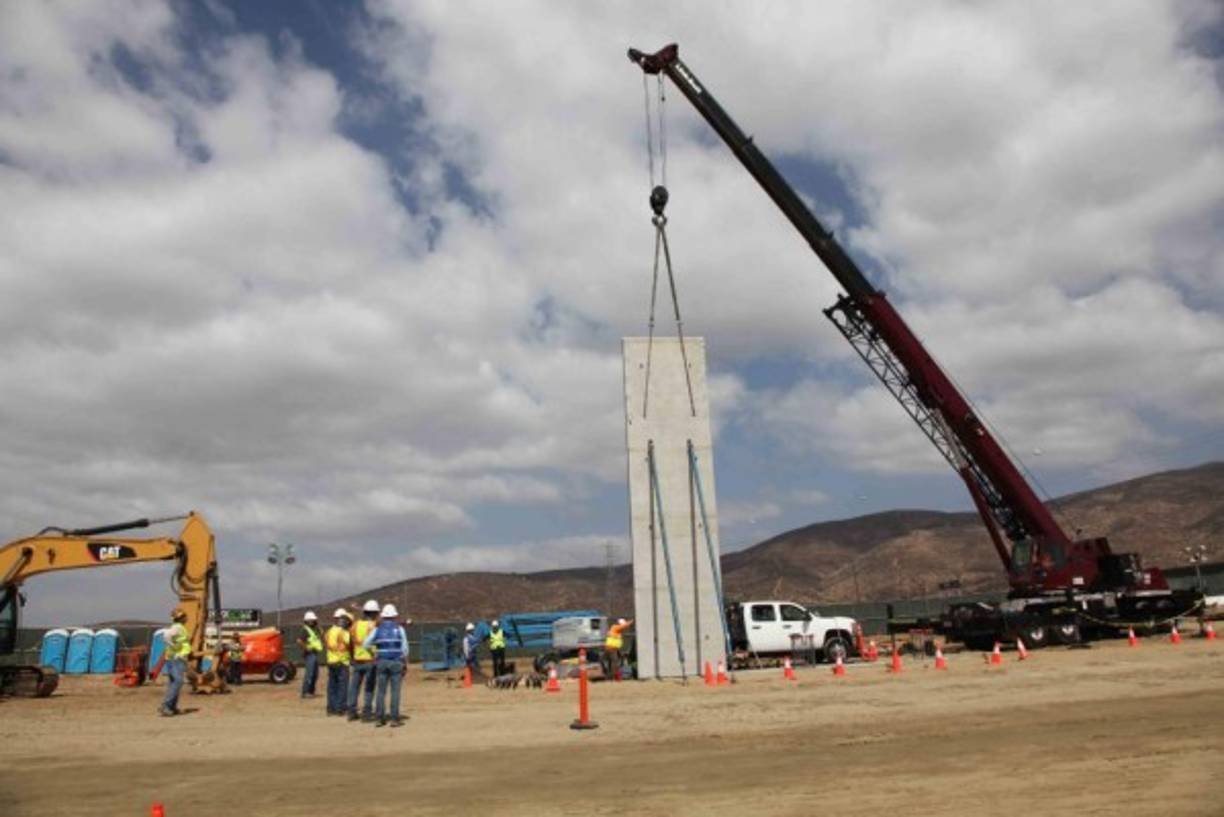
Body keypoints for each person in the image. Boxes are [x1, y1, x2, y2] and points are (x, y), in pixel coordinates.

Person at [364, 603, 409, 727]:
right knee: (395, 691)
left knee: (381, 691)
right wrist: (405, 663)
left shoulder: (377, 629)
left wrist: (375, 653)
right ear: (394, 616)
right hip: (396, 662)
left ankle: (379, 718)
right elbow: (405, 649)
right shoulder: (400, 629)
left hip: (381, 662)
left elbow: (365, 644)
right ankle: (394, 719)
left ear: (383, 616)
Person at [348, 599, 379, 722]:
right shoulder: (375, 625)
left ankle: (351, 712)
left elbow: (350, 643)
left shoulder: (354, 625)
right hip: (370, 660)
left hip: (357, 660)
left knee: (354, 687)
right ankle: (366, 713)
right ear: (373, 613)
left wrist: (351, 657)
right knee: (369, 688)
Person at [158, 606, 193, 716]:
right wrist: (174, 647)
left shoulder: (178, 627)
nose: (187, 618)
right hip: (176, 658)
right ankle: (166, 706)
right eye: (185, 616)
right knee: (178, 681)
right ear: (181, 618)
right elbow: (166, 636)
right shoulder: (178, 627)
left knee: (173, 682)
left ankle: (172, 708)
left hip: (174, 658)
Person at [325, 608, 352, 716]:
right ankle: (340, 708)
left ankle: (331, 708)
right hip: (342, 662)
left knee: (332, 686)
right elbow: (349, 643)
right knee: (342, 686)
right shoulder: (343, 632)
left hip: (331, 662)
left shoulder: (329, 631)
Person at [296, 611, 323, 698]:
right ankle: (305, 692)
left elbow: (321, 634)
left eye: (313, 620)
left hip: (315, 653)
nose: (313, 621)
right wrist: (306, 648)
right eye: (311, 620)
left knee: (315, 673)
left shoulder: (314, 629)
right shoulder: (305, 629)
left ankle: (311, 691)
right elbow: (299, 641)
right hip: (309, 654)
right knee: (310, 673)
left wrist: (318, 626)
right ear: (307, 621)